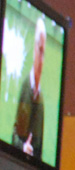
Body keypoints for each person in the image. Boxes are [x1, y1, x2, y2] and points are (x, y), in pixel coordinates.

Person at [11, 18, 45, 158]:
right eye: (40, 50)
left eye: (44, 53)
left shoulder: (40, 96)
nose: (42, 60)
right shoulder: (26, 88)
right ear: (34, 50)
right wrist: (23, 148)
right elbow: (14, 136)